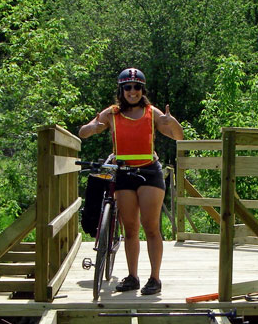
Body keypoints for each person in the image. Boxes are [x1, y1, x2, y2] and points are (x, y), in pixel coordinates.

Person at [78, 68, 183, 295]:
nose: (132, 91)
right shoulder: (112, 113)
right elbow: (83, 132)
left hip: (149, 172)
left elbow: (178, 136)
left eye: (136, 87)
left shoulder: (151, 112)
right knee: (130, 229)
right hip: (124, 172)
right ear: (121, 89)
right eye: (128, 87)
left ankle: (154, 278)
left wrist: (171, 122)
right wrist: (93, 128)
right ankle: (133, 276)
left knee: (151, 226)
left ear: (142, 89)